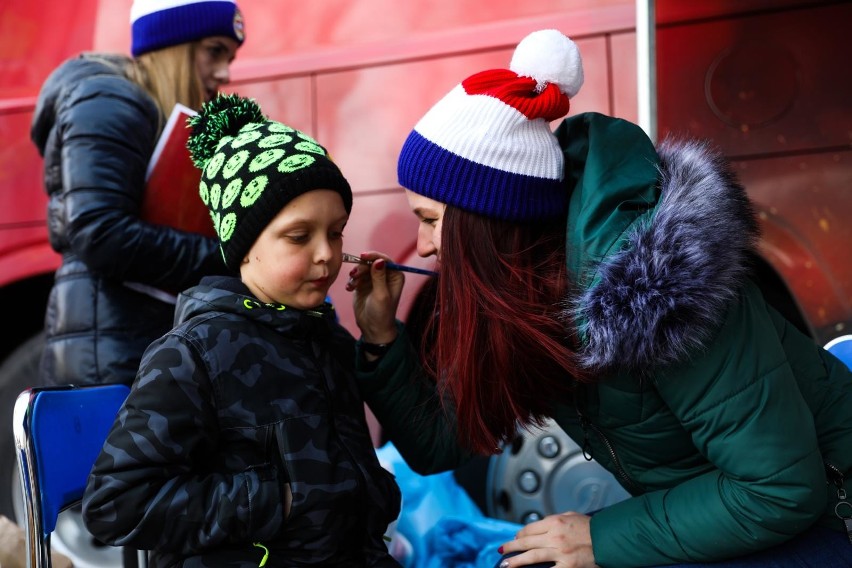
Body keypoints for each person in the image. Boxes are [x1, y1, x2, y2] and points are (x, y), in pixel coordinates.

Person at [348, 29, 852, 568]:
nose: (423, 247)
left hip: (830, 517)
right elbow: (439, 446)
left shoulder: (657, 298)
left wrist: (599, 539)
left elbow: (780, 490)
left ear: (484, 225)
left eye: (430, 220)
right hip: (746, 519)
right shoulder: (528, 296)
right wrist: (381, 338)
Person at [82, 94, 403, 566]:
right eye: (300, 236)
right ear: (244, 246)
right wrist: (273, 501)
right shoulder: (194, 353)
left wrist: (379, 335)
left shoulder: (325, 338)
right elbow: (115, 504)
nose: (327, 254)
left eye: (336, 232)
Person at [30, 0, 246, 387]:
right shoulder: (109, 99)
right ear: (172, 46)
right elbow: (101, 232)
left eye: (229, 56)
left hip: (130, 344)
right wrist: (232, 259)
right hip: (113, 358)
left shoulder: (133, 104)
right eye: (214, 51)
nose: (225, 73)